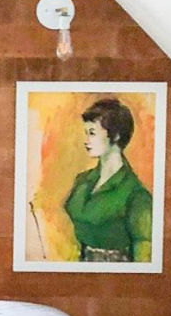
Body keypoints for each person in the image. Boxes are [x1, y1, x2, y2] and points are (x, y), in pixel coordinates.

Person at [63, 97, 153, 262]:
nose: (86, 140)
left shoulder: (136, 194)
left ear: (116, 136)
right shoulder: (82, 181)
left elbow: (144, 255)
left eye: (92, 133)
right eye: (86, 133)